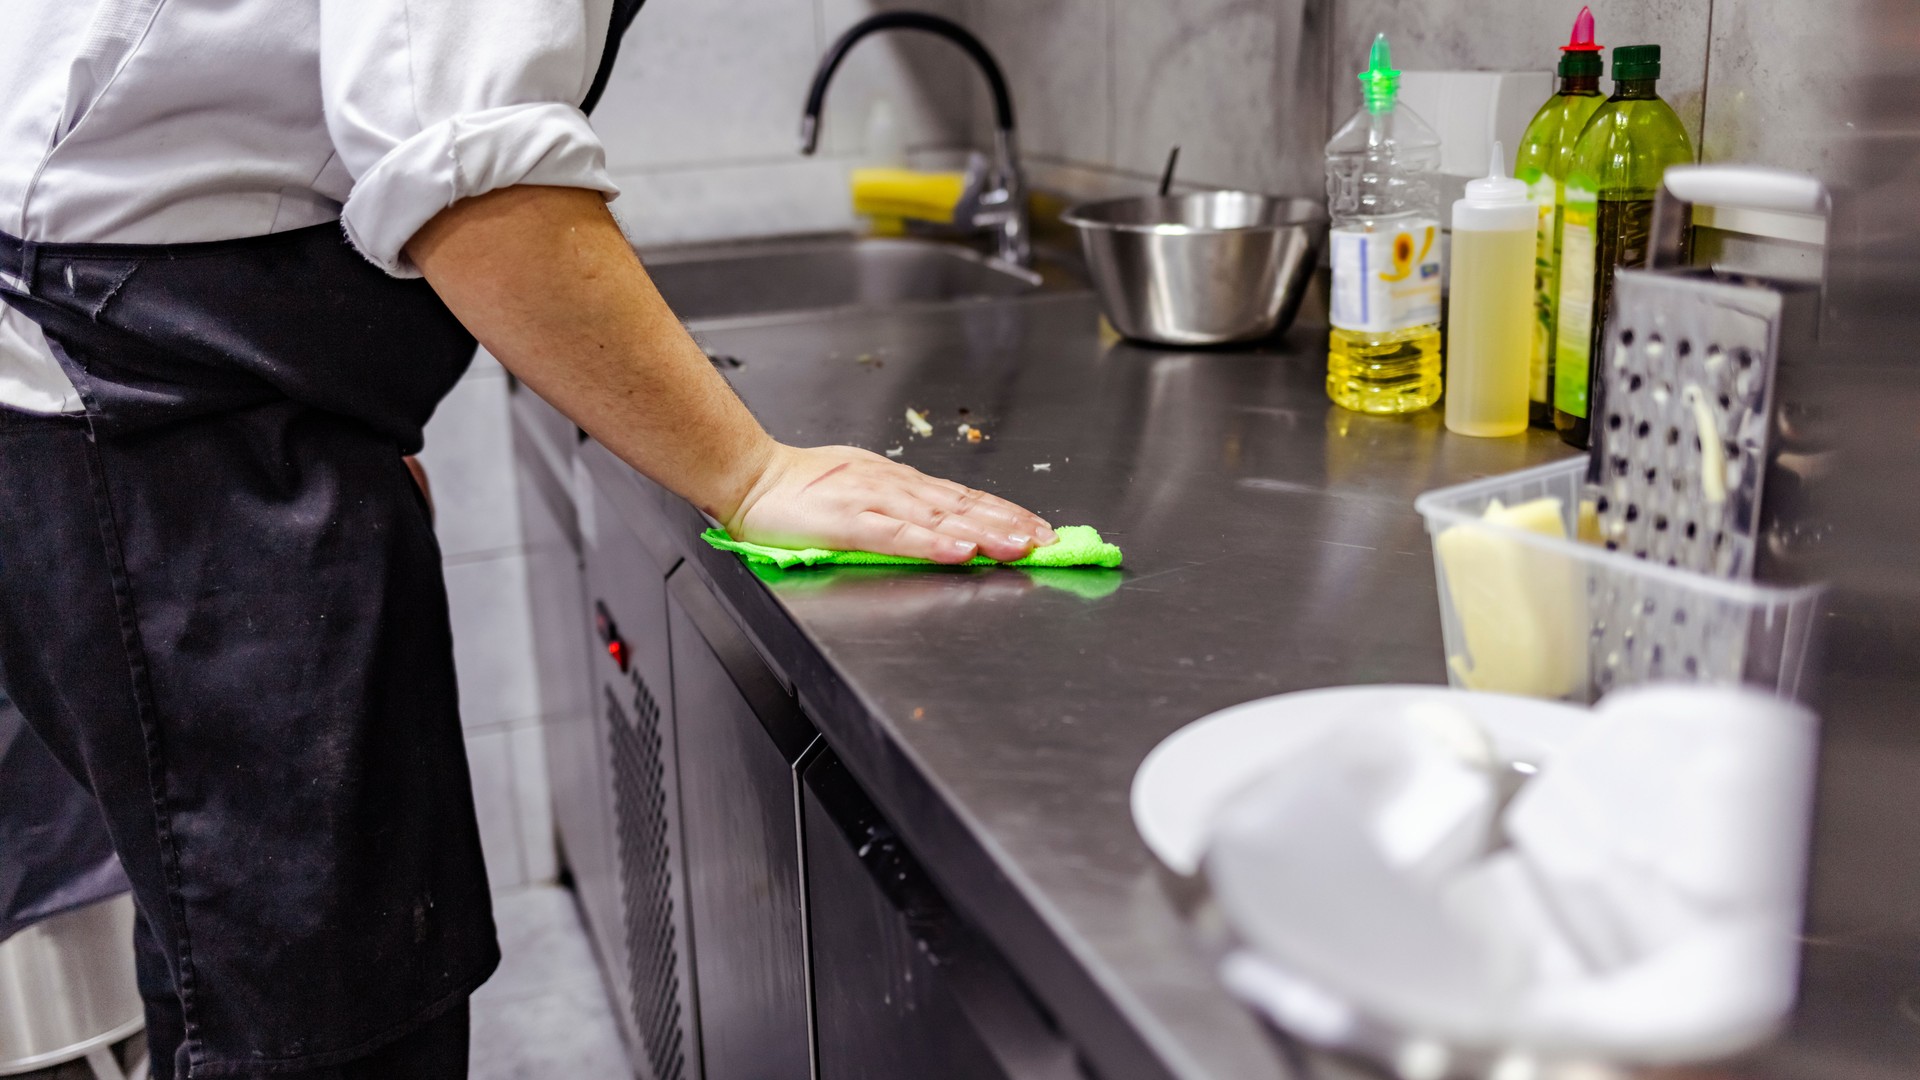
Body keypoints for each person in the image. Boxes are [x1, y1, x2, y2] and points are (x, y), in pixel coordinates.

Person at [0, 2, 1055, 1077]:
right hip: (156, 428)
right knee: (316, 1018)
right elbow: (471, 165)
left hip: (182, 409)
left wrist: (329, 413)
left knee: (246, 962)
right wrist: (751, 473)